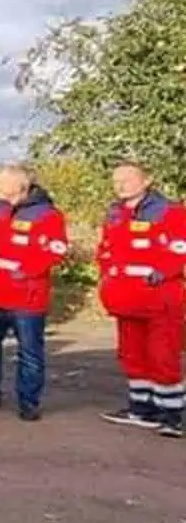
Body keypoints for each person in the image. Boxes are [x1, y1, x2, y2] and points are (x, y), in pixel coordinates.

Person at [96, 161, 186, 437]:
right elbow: (106, 249)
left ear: (146, 181)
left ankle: (172, 414)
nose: (120, 185)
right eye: (116, 180)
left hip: (160, 299)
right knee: (132, 354)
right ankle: (141, 408)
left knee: (163, 355)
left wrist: (162, 272)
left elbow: (179, 249)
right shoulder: (115, 214)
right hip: (125, 297)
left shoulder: (171, 212)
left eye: (127, 179)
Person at [0, 164, 67, 422]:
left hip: (26, 297)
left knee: (29, 351)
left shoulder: (47, 214)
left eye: (1, 182)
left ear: (20, 185)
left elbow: (56, 250)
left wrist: (26, 271)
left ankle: (28, 401)